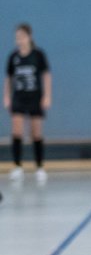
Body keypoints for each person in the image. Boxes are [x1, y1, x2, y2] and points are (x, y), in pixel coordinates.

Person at [4, 24, 51, 184]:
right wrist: (7, 96)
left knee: (36, 133)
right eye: (17, 37)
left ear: (29, 36)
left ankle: (39, 167)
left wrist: (47, 96)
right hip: (19, 97)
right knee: (17, 131)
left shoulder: (38, 55)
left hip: (35, 97)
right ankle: (17, 166)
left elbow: (46, 75)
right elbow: (8, 78)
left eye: (22, 36)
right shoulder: (13, 57)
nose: (19, 40)